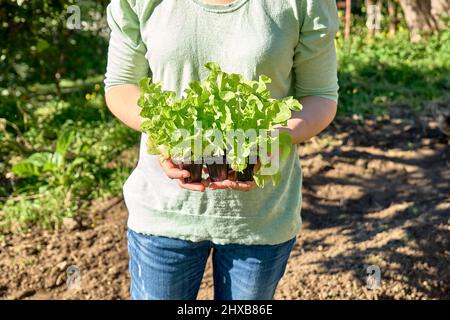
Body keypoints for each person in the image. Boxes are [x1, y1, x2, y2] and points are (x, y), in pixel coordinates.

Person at [104, 0, 339, 300]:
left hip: (260, 219)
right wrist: (165, 135)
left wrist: (276, 138)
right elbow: (121, 84)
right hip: (164, 211)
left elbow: (319, 95)